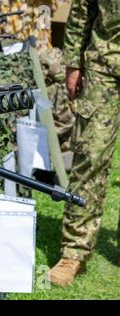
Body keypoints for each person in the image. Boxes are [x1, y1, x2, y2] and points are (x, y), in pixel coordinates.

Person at [49, 0, 120, 286]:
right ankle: (73, 252)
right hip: (103, 66)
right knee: (89, 156)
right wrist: (73, 63)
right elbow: (81, 7)